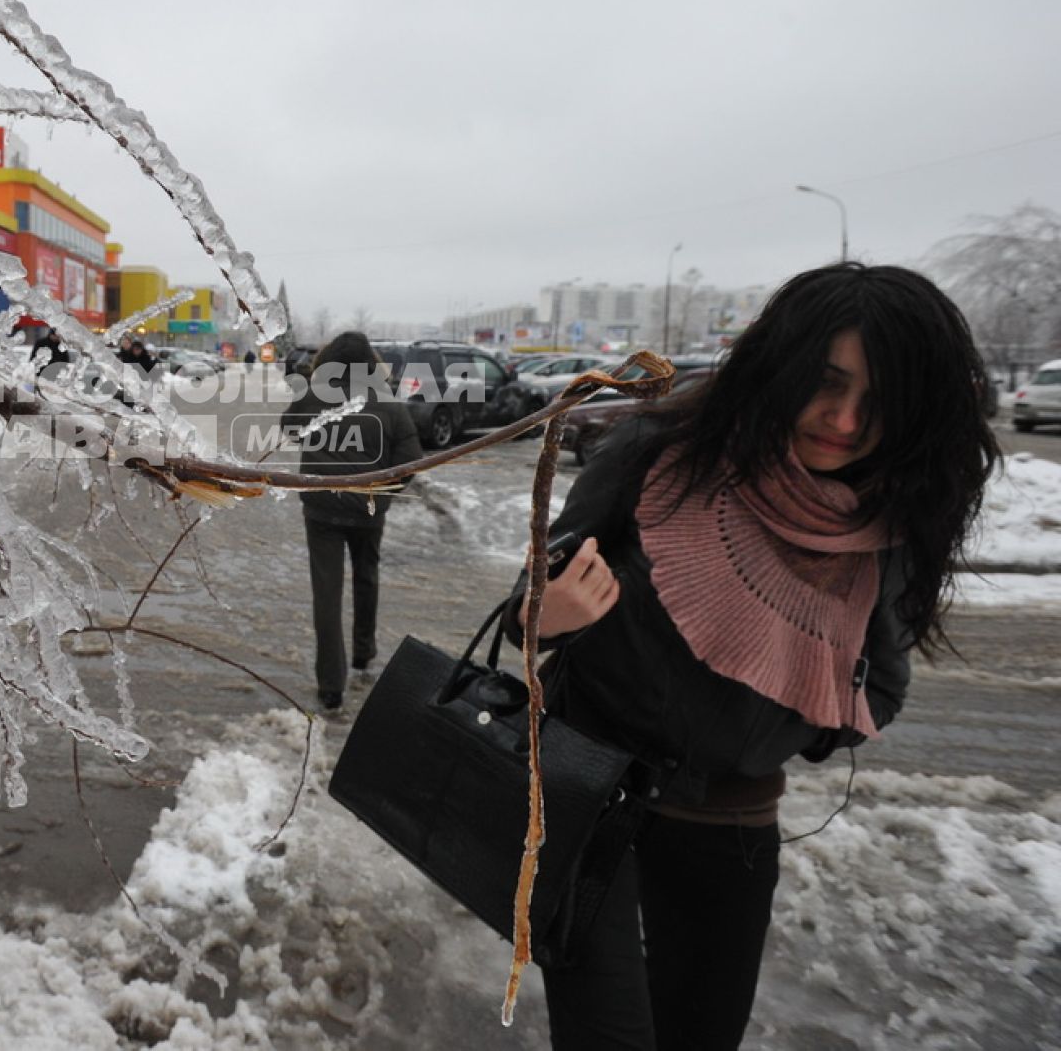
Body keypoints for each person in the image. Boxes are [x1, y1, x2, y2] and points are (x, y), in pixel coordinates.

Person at [508, 264, 998, 1050]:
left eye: (877, 402)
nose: (843, 420)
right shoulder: (656, 455)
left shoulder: (887, 523)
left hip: (728, 828)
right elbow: (529, 602)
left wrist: (799, 707)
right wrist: (547, 612)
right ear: (779, 368)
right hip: (589, 800)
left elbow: (883, 689)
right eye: (825, 385)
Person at [281, 331, 423, 710]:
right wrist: (382, 494)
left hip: (321, 510)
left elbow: (288, 431)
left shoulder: (311, 396)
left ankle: (331, 686)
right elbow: (411, 462)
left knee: (326, 595)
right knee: (367, 578)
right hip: (368, 510)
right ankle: (364, 655)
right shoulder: (389, 404)